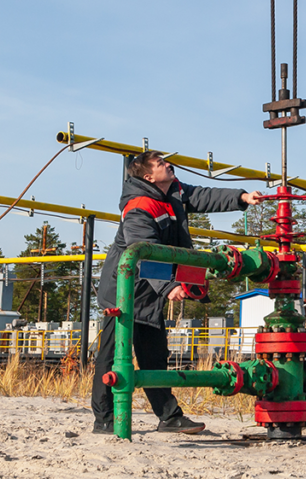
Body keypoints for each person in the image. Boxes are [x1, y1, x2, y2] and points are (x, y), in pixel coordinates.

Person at [91, 150, 263, 435]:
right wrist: (169, 286)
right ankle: (105, 420)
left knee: (155, 356)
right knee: (111, 355)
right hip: (125, 290)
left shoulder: (172, 192)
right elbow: (142, 252)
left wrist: (242, 198)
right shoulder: (139, 206)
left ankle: (169, 417)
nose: (168, 165)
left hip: (149, 292)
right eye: (160, 164)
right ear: (148, 176)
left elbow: (204, 196)